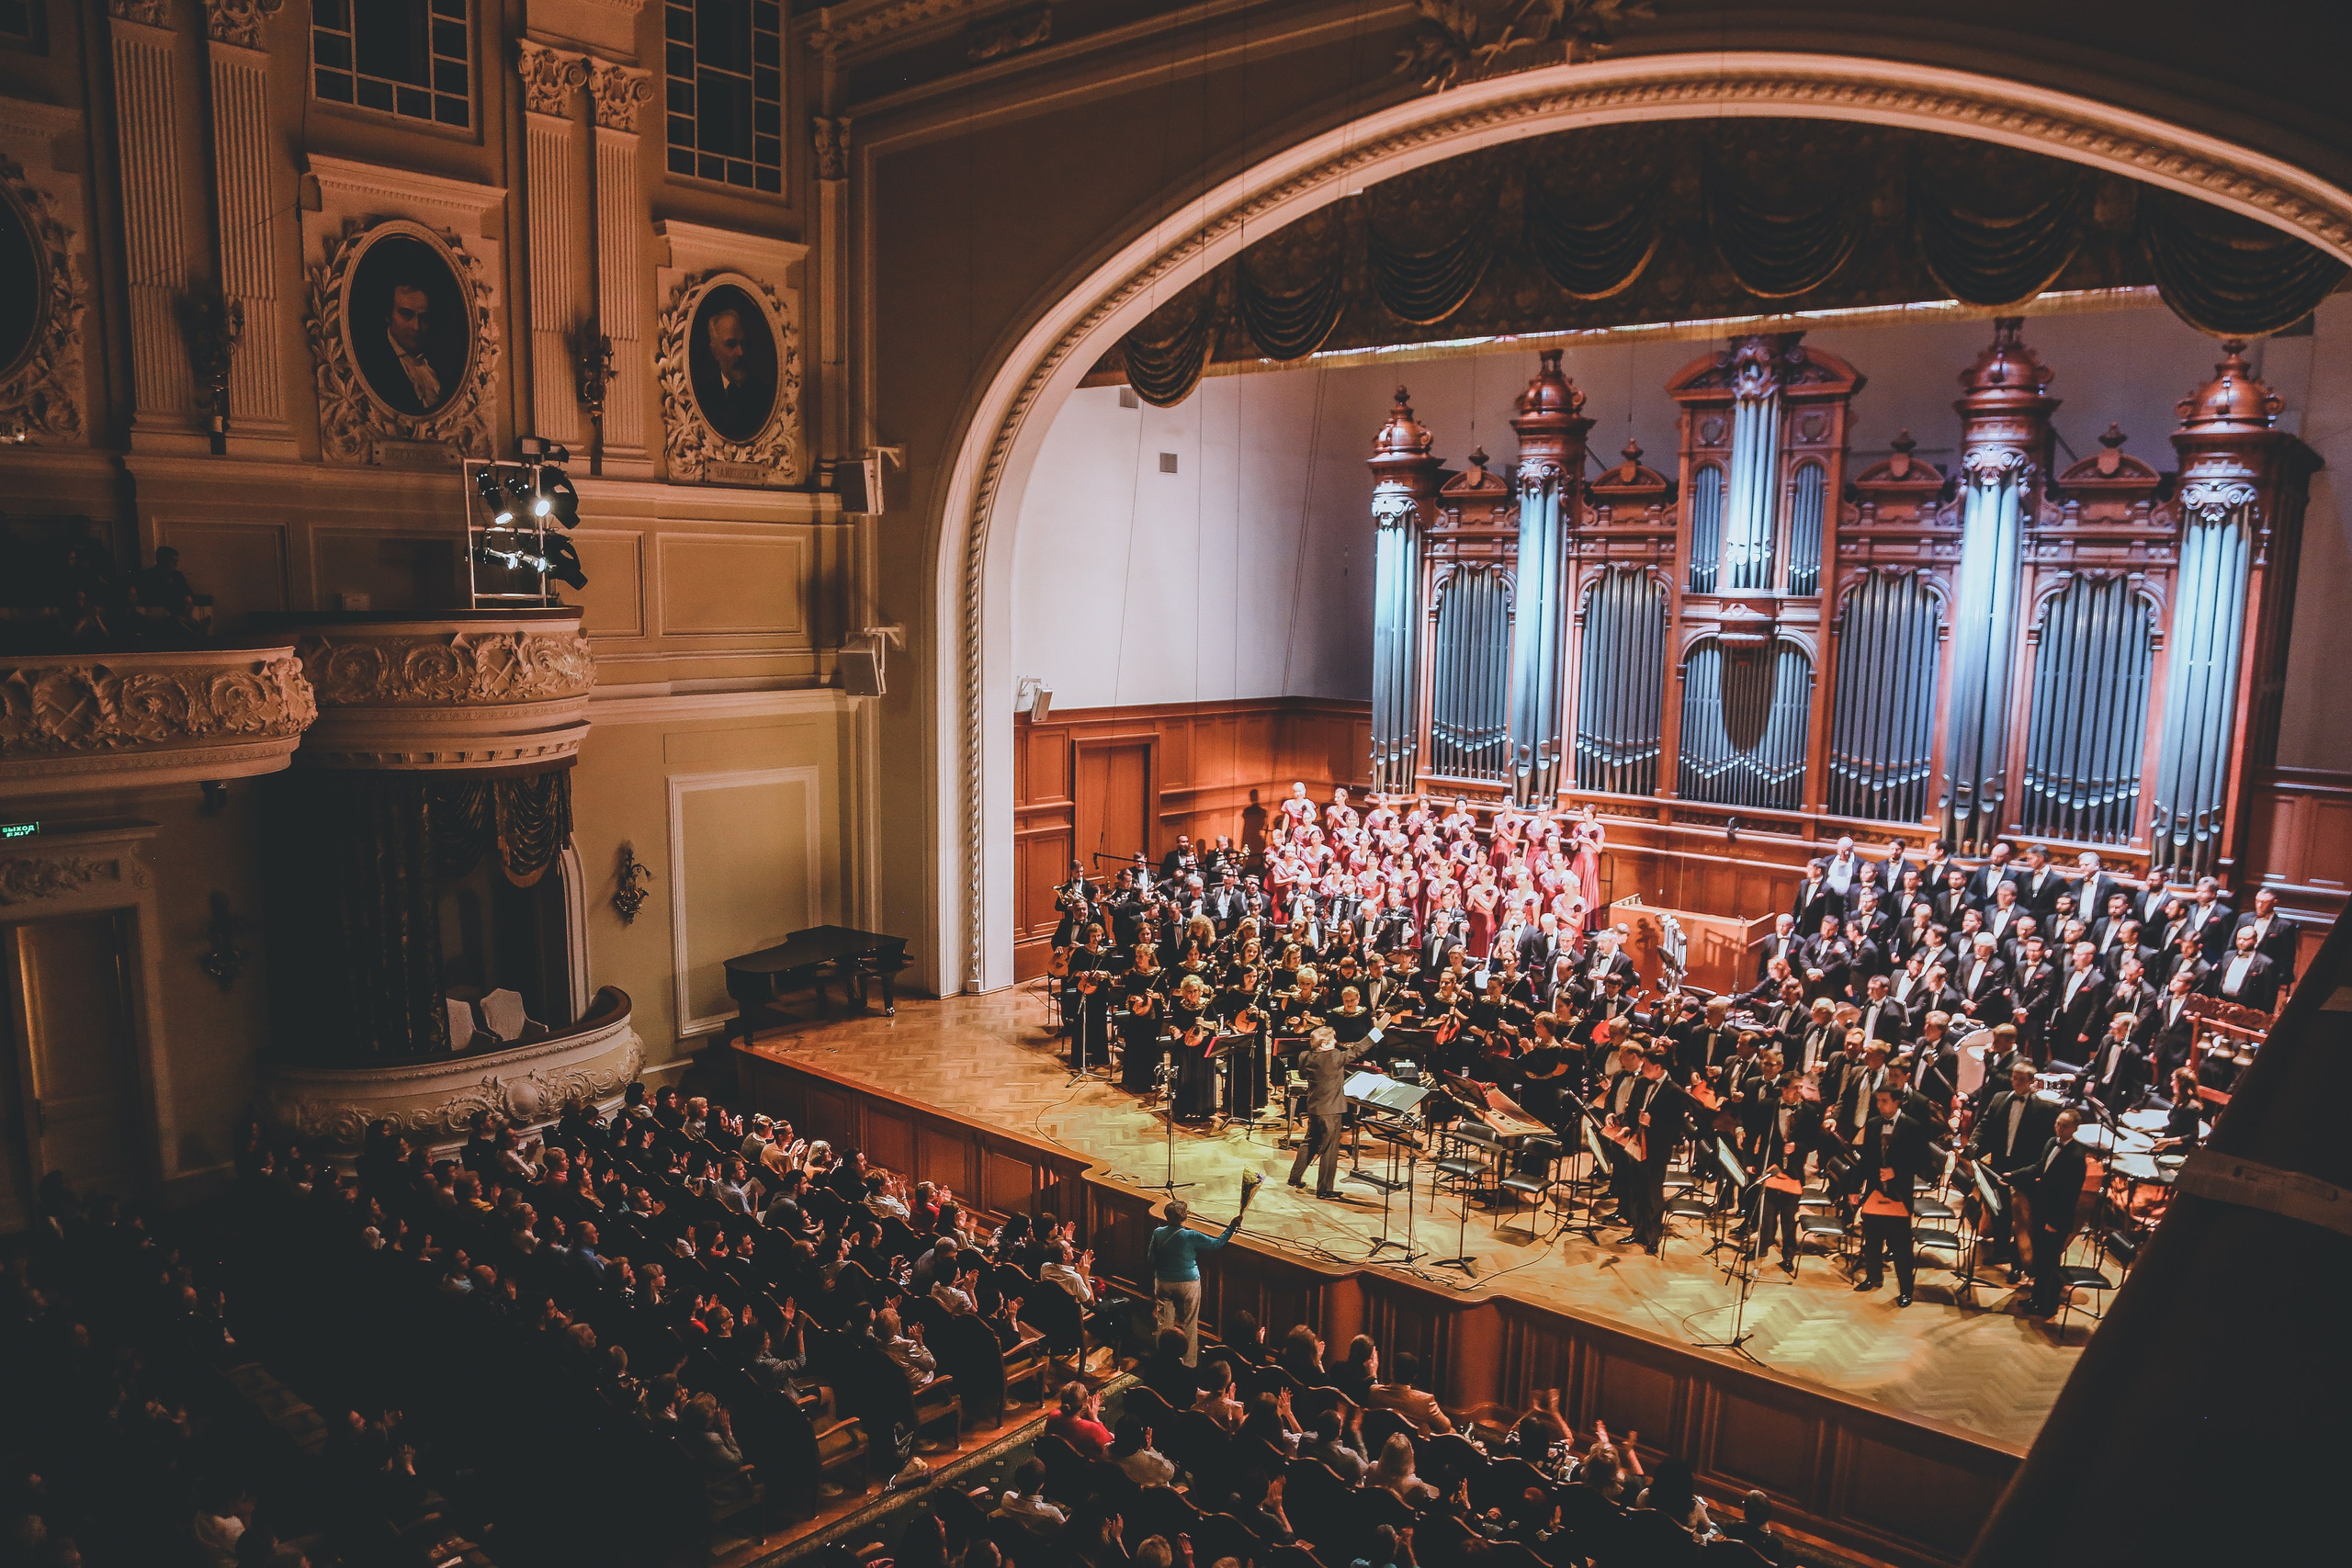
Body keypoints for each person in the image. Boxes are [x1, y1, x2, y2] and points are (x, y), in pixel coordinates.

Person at [1147, 1199, 1239, 1366]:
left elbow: (1151, 1258)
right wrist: (1231, 1227)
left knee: (1164, 1323)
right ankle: (1189, 1364)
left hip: (1163, 1282)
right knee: (1190, 1322)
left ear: (1166, 1216)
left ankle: (1162, 1361)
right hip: (1188, 1283)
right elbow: (1217, 1243)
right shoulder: (1191, 1235)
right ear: (1185, 1217)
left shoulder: (1158, 1233)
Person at [1288, 1024, 1374, 1199]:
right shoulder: (1334, 1057)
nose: (1336, 1041)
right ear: (1324, 1044)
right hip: (1331, 1110)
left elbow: (1303, 1076)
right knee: (1329, 1148)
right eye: (1332, 1039)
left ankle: (1294, 1177)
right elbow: (1357, 1050)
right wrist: (1376, 1033)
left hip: (1314, 1107)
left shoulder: (1305, 1056)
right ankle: (1325, 1189)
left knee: (1310, 1141)